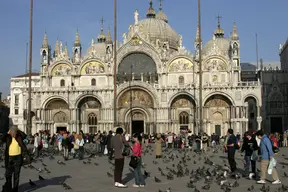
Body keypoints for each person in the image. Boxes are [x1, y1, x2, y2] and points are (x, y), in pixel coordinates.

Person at [0, 126, 30, 192]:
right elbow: (2, 138)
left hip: (18, 157)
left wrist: (18, 130)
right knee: (8, 174)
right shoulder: (8, 137)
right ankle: (9, 188)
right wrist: (7, 132)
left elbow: (24, 135)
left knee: (16, 175)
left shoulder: (19, 136)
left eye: (14, 132)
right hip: (9, 158)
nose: (13, 133)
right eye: (12, 132)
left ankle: (15, 189)